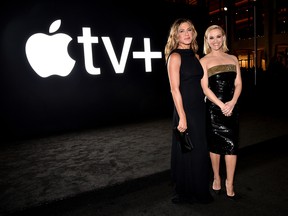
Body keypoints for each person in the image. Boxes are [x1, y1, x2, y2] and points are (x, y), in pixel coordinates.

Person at [164, 18, 213, 204]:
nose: (187, 33)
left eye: (190, 30)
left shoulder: (196, 56)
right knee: (187, 150)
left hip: (199, 108)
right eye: (182, 30)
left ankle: (200, 189)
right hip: (184, 110)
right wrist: (182, 117)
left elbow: (203, 85)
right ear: (176, 34)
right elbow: (174, 89)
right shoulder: (174, 57)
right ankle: (185, 192)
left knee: (200, 150)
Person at [200, 25, 242, 200]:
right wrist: (220, 104)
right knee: (215, 147)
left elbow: (238, 84)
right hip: (214, 110)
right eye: (211, 37)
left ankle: (229, 183)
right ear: (207, 40)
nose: (215, 41)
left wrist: (232, 103)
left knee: (232, 147)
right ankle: (217, 177)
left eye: (218, 36)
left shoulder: (233, 58)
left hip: (232, 108)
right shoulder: (204, 61)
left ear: (223, 38)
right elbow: (204, 88)